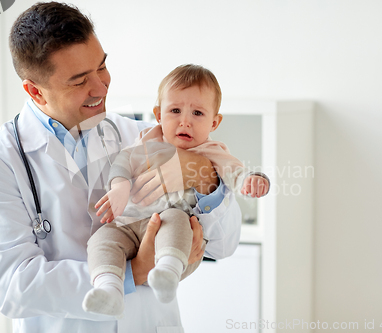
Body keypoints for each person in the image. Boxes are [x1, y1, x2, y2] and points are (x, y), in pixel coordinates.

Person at [0, 2, 242, 332]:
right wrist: (135, 271)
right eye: (79, 79)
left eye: (101, 67)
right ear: (35, 91)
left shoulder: (139, 136)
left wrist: (202, 176)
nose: (100, 87)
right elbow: (12, 286)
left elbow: (224, 245)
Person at [83, 64, 270, 316]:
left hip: (177, 238)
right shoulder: (147, 139)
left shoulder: (211, 151)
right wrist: (119, 187)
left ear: (215, 122)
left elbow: (235, 172)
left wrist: (250, 179)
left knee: (175, 218)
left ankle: (167, 273)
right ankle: (108, 289)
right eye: (175, 110)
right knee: (102, 238)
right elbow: (124, 163)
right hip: (130, 225)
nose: (185, 121)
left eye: (198, 113)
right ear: (158, 114)